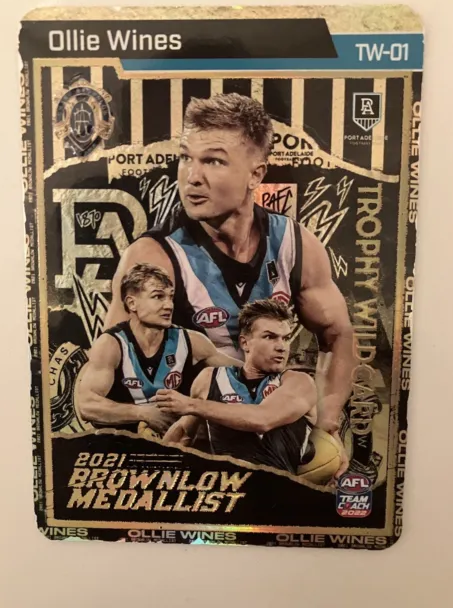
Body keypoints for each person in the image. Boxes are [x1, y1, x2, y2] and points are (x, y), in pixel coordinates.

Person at [104, 93, 355, 474]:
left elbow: (337, 335)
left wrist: (328, 421)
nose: (192, 176)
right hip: (195, 444)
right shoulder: (154, 255)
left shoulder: (295, 244)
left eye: (213, 161)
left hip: (273, 430)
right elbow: (113, 361)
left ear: (256, 174)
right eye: (186, 157)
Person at [152, 299, 317, 477]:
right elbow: (183, 435)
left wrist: (191, 405)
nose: (282, 347)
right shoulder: (209, 379)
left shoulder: (300, 382)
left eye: (285, 338)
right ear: (245, 343)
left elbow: (263, 419)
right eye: (270, 337)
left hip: (277, 491)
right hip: (226, 489)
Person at [77, 263, 240, 435]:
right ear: (132, 303)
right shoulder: (111, 344)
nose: (169, 305)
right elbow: (87, 405)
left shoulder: (192, 341)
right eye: (158, 296)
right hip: (122, 444)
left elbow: (244, 373)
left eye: (170, 297)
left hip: (174, 443)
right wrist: (143, 413)